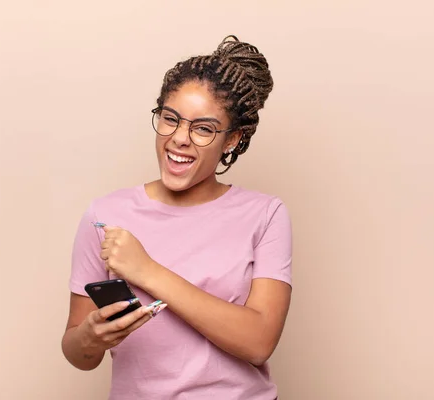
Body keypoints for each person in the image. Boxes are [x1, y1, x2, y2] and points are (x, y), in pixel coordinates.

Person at [61, 35, 292, 400]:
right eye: (170, 119)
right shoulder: (104, 215)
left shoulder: (265, 214)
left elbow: (259, 342)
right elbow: (78, 354)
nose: (179, 139)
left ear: (232, 139)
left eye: (203, 128)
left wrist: (146, 270)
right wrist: (90, 337)